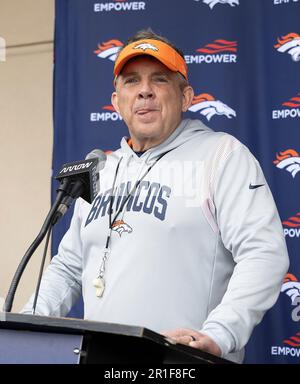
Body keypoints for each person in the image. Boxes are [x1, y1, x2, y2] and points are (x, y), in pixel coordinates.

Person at [22, 29, 289, 363]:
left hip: (182, 361)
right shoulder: (101, 170)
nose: (145, 91)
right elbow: (69, 268)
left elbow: (264, 253)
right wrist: (27, 324)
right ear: (116, 102)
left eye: (159, 80)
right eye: (132, 81)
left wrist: (220, 333)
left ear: (186, 96)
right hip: (102, 360)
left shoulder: (222, 155)